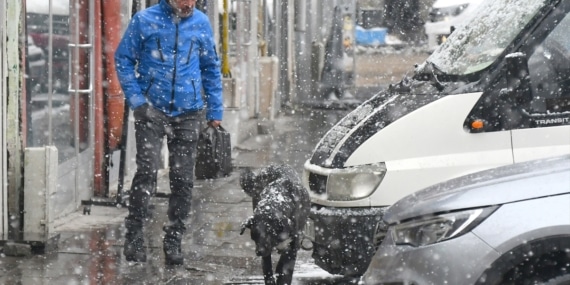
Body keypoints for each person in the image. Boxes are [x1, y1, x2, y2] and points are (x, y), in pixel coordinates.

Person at [114, 0, 223, 265]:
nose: (188, 4)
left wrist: (215, 112)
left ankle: (174, 237)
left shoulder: (200, 23)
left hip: (189, 112)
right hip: (152, 110)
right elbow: (124, 59)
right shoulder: (144, 20)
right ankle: (135, 235)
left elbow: (210, 67)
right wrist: (138, 102)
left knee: (183, 179)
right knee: (147, 172)